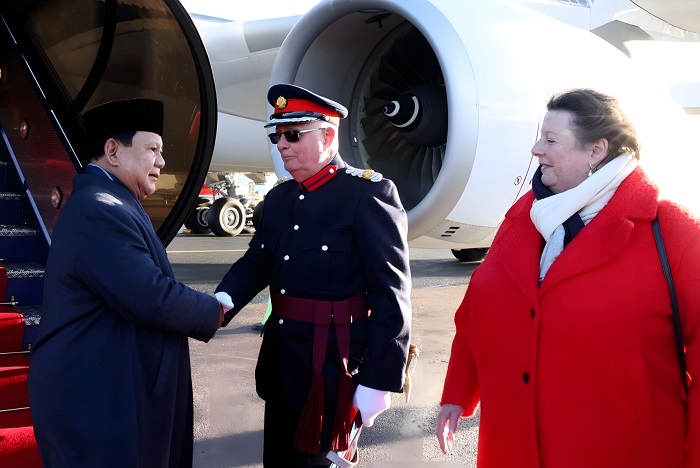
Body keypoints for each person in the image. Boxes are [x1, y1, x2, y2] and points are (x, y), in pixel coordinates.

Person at [435, 88, 700, 467]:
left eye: (551, 140)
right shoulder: (522, 218)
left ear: (596, 150)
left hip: (624, 450)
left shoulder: (669, 229)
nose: (536, 149)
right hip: (515, 448)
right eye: (539, 137)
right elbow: (477, 311)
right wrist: (458, 392)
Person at [215, 84, 412, 466]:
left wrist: (379, 379)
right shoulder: (279, 199)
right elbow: (257, 261)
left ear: (328, 135)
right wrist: (221, 301)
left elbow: (392, 295)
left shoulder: (368, 195)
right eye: (277, 136)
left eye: (293, 134)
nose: (282, 145)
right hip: (283, 363)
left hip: (332, 371)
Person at [28, 98, 225, 467]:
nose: (162, 162)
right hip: (93, 403)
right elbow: (149, 295)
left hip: (104, 394)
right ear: (113, 151)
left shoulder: (110, 199)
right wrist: (213, 310)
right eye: (153, 149)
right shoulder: (100, 208)